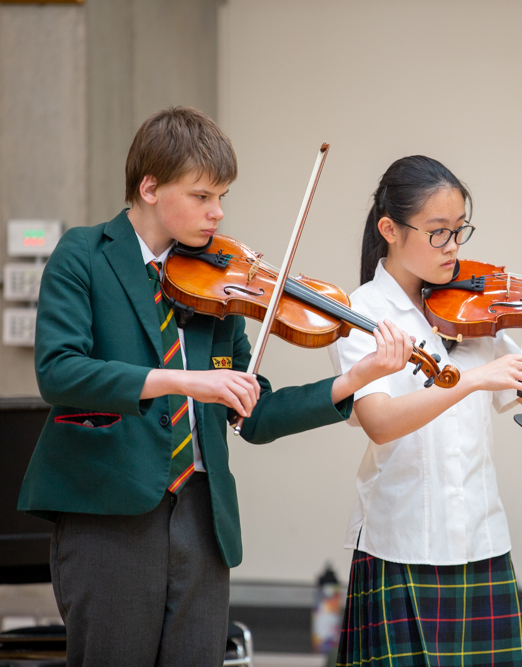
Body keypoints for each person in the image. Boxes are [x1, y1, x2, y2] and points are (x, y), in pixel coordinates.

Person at [18, 106, 414, 667]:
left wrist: (353, 378)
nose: (218, 213)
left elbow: (254, 414)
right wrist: (186, 381)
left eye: (222, 196)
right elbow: (59, 371)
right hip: (109, 513)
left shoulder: (222, 284)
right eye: (202, 196)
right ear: (150, 187)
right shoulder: (84, 255)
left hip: (203, 519)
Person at [329, 155, 522, 667]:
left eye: (459, 231)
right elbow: (380, 422)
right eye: (437, 233)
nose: (453, 248)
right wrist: (472, 379)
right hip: (399, 541)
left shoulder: (478, 308)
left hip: (482, 539)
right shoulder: (362, 312)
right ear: (389, 229)